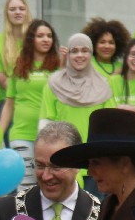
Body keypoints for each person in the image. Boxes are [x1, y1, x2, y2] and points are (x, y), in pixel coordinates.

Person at [37, 33, 115, 194]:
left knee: (96, 208)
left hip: (96, 164)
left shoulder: (104, 86)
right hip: (63, 165)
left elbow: (111, 126)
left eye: (85, 51)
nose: (80, 55)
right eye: (74, 51)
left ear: (91, 54)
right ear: (68, 54)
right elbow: (45, 124)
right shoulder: (54, 85)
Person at [0, 19, 61, 192]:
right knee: (25, 188)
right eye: (40, 36)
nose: (45, 39)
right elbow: (9, 104)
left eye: (49, 36)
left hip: (49, 137)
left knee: (48, 187)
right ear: (31, 40)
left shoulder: (59, 67)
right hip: (21, 134)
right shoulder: (19, 66)